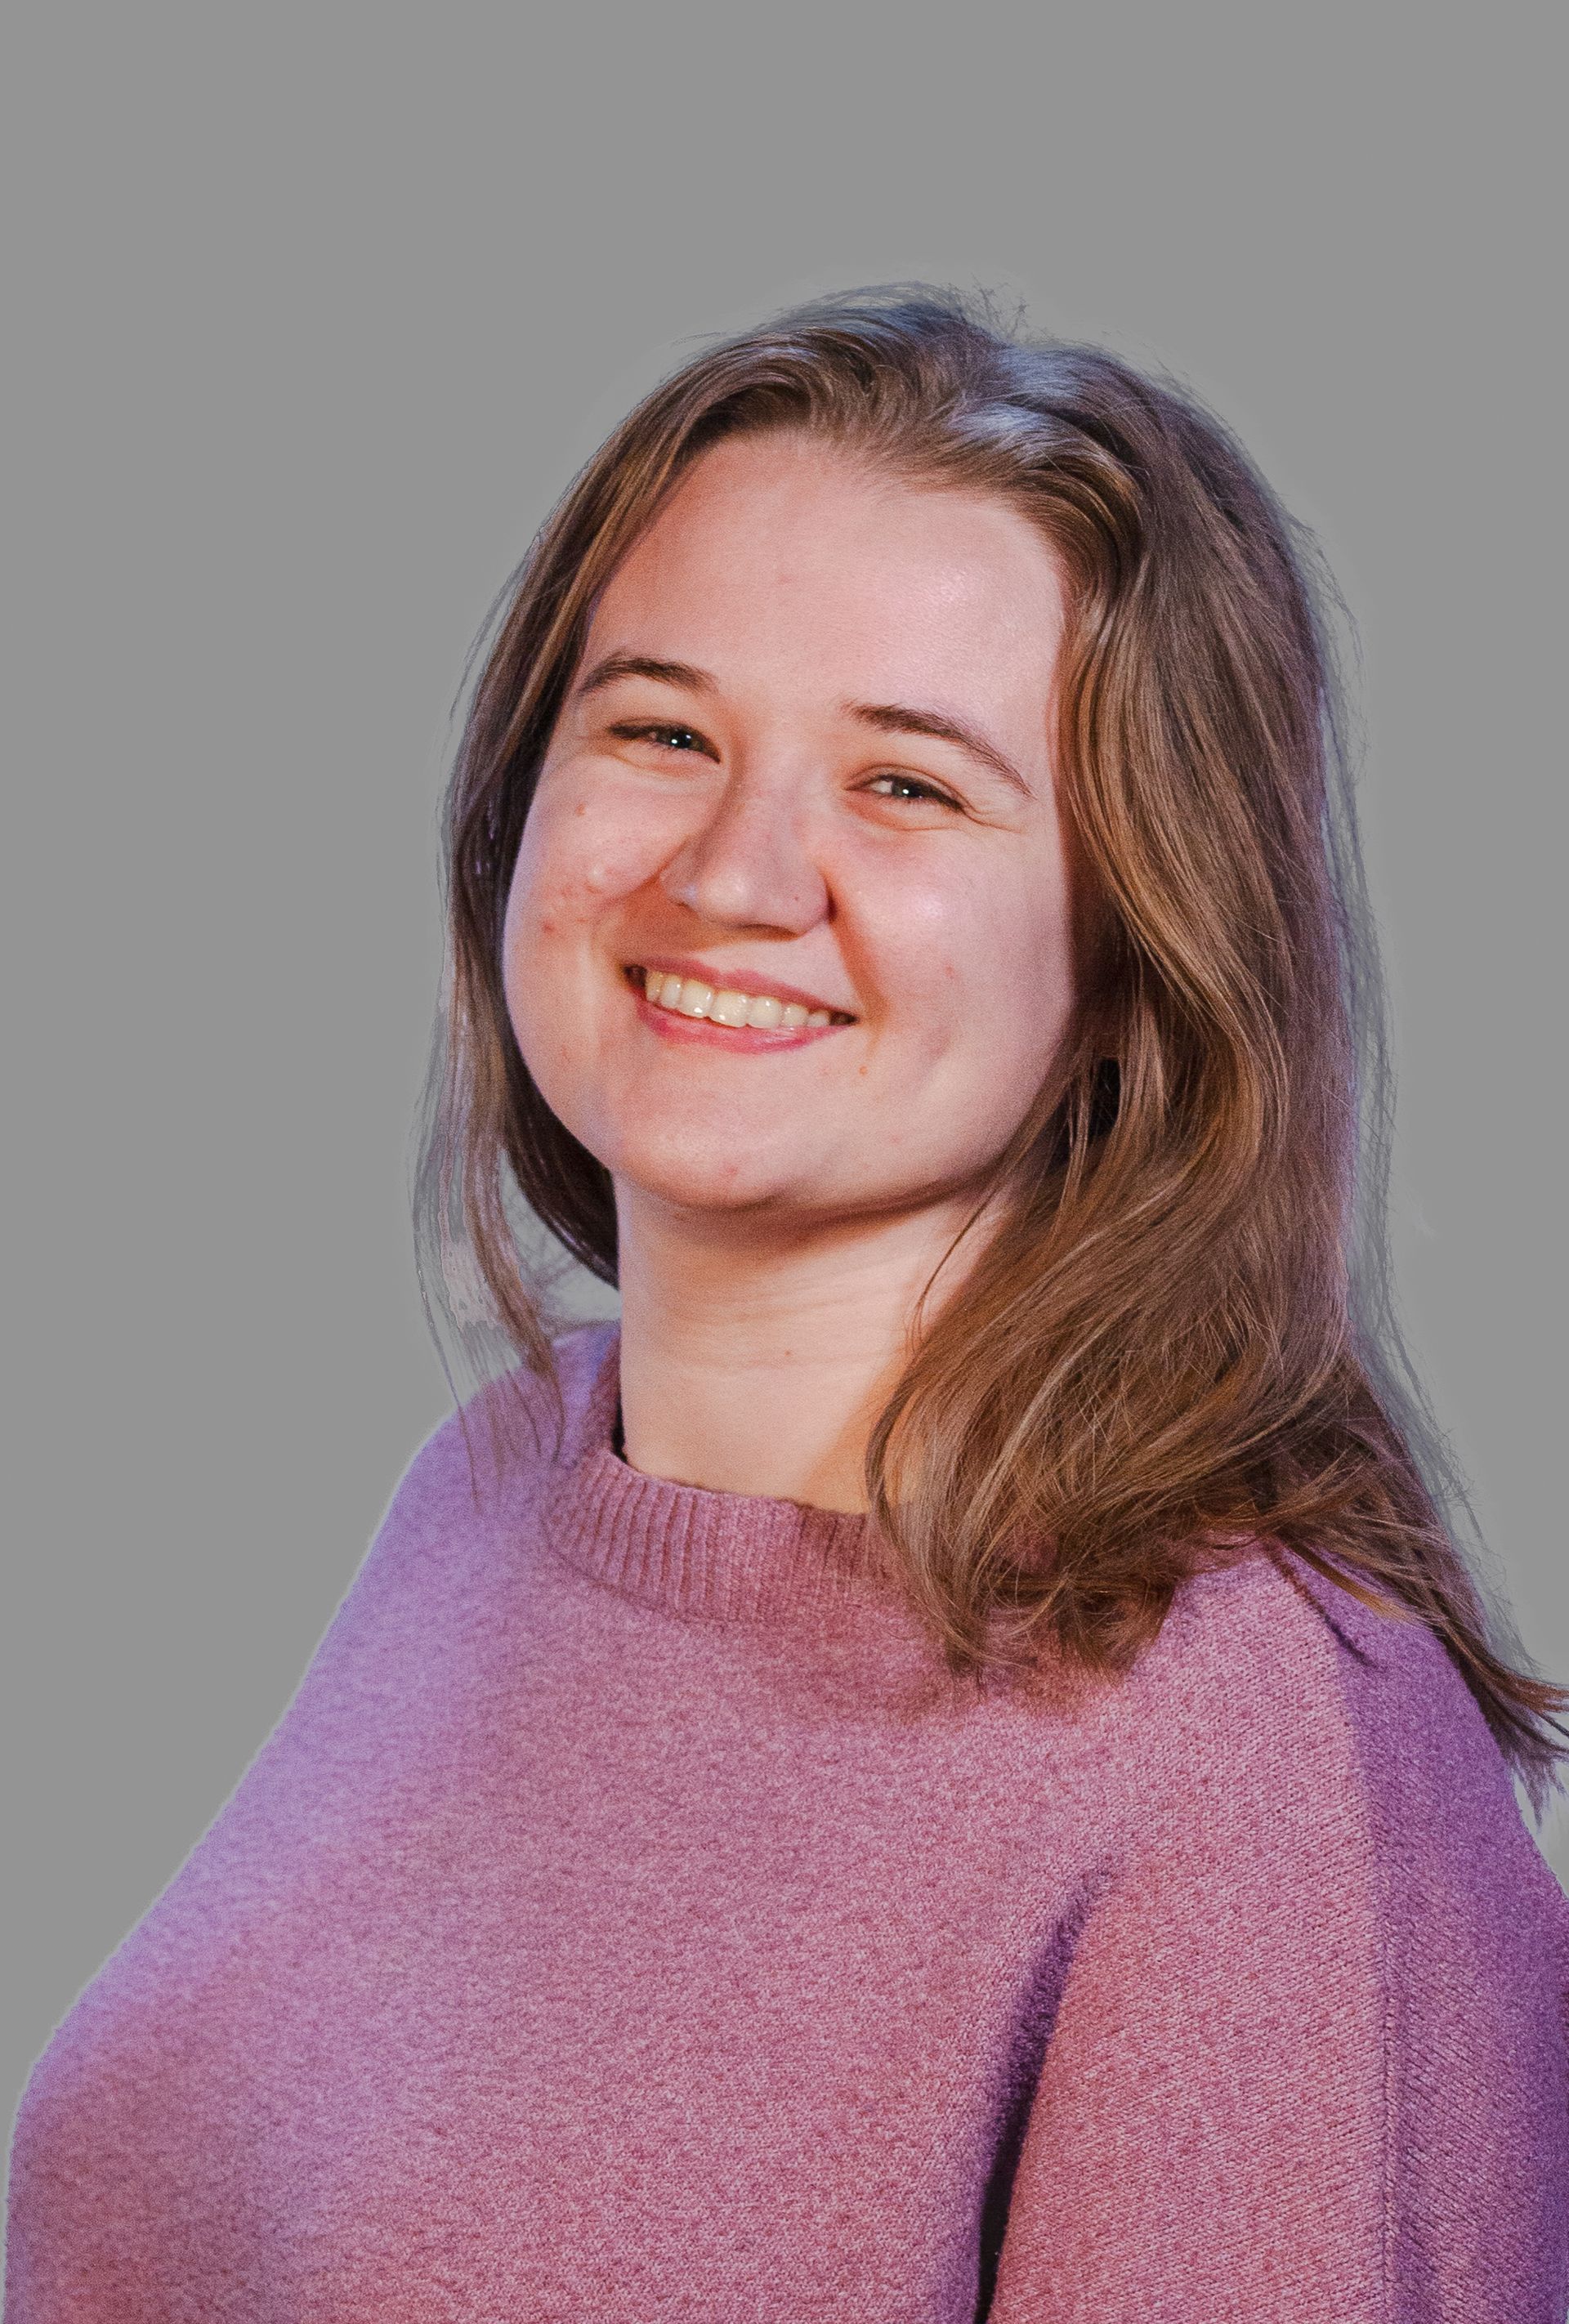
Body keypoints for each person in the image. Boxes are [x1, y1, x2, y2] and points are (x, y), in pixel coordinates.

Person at [7, 288, 1568, 2321]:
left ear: (1138, 943)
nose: (736, 874)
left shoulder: (1252, 1751)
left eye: (907, 785)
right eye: (661, 732)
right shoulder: (497, 1490)